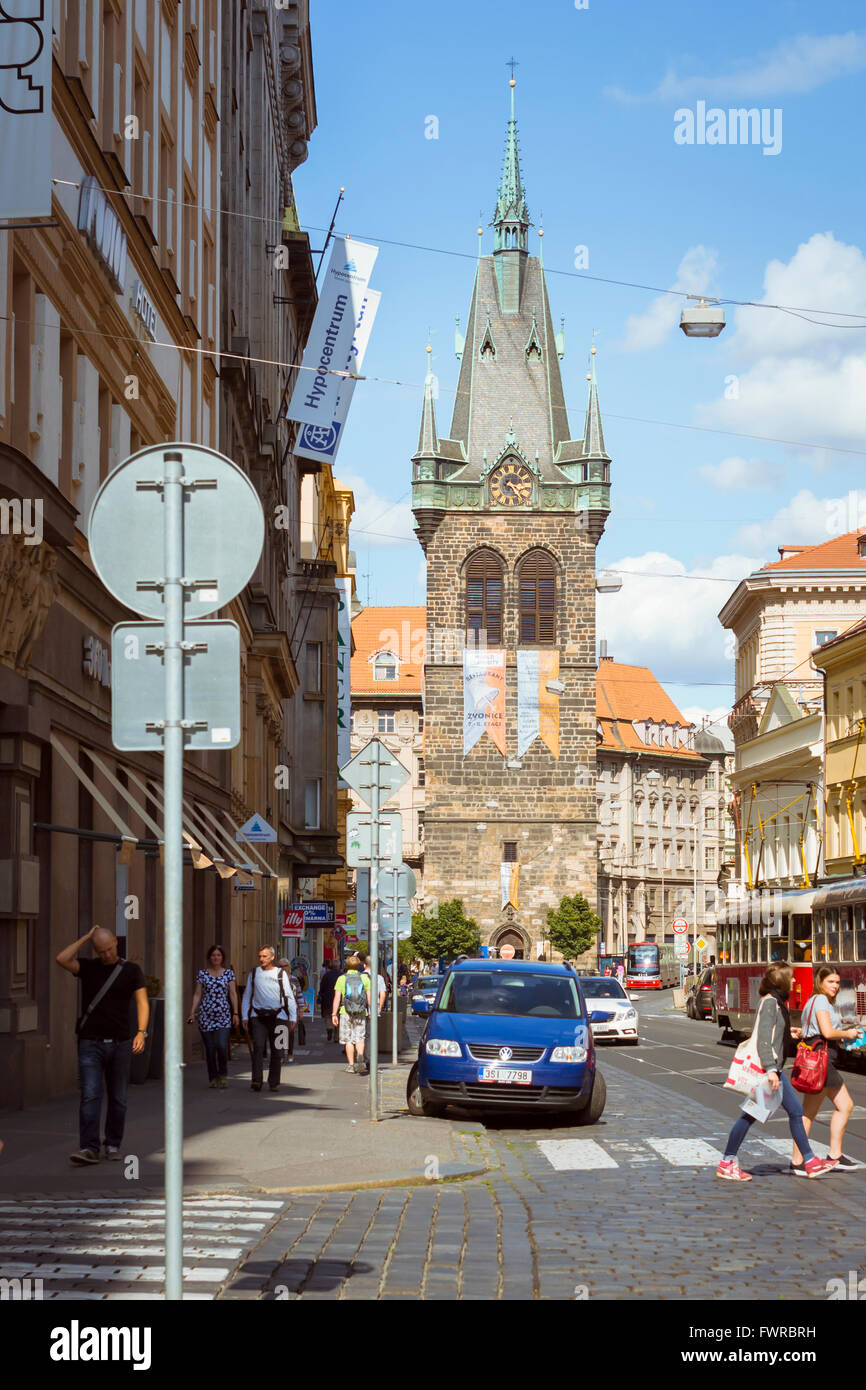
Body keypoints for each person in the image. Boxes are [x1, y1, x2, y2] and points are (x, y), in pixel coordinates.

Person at [716, 963, 838, 1182]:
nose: (793, 981)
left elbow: (770, 1032)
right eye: (790, 978)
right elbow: (763, 1039)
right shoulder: (772, 1002)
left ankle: (809, 1160)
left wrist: (786, 1033)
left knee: (793, 1111)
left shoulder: (775, 1001)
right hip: (769, 1071)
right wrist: (772, 1071)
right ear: (781, 980)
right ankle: (727, 1161)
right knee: (751, 1116)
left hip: (773, 1070)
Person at [56, 925, 149, 1166]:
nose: (106, 954)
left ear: (116, 943)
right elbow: (62, 958)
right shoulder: (88, 968)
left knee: (119, 1097)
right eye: (100, 951)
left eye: (108, 949)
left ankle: (113, 1143)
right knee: (90, 1095)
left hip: (120, 1043)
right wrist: (87, 937)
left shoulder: (131, 970)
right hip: (90, 1043)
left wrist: (141, 1032)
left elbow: (142, 1002)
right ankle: (89, 1147)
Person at [791, 965, 863, 1174]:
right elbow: (827, 1032)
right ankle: (808, 1159)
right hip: (822, 1060)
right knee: (832, 1107)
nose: (835, 986)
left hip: (819, 1058)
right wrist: (848, 1034)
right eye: (830, 982)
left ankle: (828, 1155)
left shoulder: (813, 1000)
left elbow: (809, 1030)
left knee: (814, 1111)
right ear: (820, 982)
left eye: (837, 982)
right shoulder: (821, 1000)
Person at [241, 946, 296, 1092]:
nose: (261, 959)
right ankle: (256, 1080)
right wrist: (245, 1016)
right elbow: (247, 995)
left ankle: (274, 1082)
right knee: (258, 1047)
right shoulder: (253, 973)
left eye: (265, 956)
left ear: (272, 957)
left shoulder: (280, 974)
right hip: (258, 1017)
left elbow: (289, 995)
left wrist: (293, 1017)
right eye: (260, 956)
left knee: (278, 1050)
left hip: (280, 1017)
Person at [188, 944, 238, 1088]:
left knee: (221, 1046)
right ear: (210, 958)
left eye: (219, 955)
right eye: (213, 955)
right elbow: (198, 994)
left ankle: (223, 1075)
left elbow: (233, 993)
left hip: (223, 1015)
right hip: (206, 1015)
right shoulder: (203, 974)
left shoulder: (228, 973)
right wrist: (192, 1011)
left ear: (222, 958)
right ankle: (213, 1077)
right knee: (210, 1048)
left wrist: (236, 1013)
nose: (216, 957)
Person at [331, 955, 371, 1073]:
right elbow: (369, 997)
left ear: (346, 965)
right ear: (359, 965)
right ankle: (360, 1057)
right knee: (360, 1038)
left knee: (348, 1040)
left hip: (345, 1012)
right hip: (361, 1011)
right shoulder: (364, 978)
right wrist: (371, 1012)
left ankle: (351, 1065)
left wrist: (334, 1014)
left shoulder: (341, 979)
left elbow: (337, 998)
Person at [318, 959, 341, 1041]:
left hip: (327, 999)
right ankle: (336, 1037)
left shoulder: (326, 975)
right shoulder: (342, 975)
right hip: (339, 999)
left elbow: (322, 987)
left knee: (327, 1015)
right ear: (338, 966)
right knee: (338, 1017)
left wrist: (321, 995)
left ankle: (329, 1027)